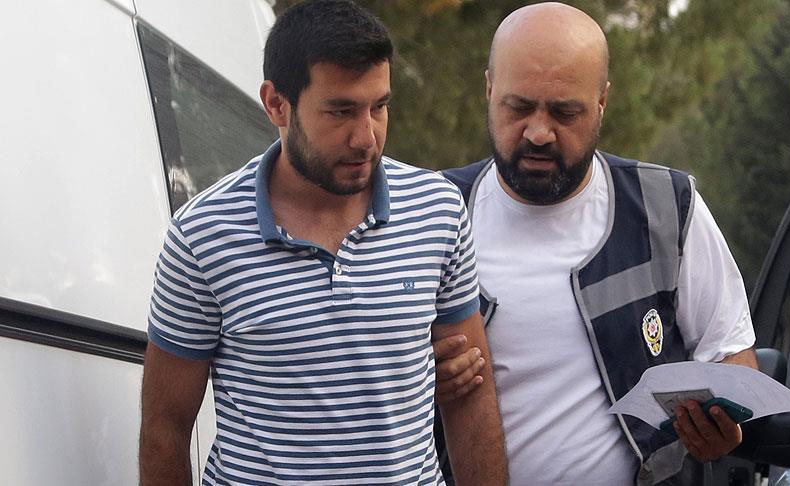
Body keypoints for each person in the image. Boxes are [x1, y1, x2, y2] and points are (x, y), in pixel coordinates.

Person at [138, 1, 507, 484]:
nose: (366, 137)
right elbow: (165, 428)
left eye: (379, 107)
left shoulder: (436, 209)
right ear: (276, 103)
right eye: (341, 111)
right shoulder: (203, 234)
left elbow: (470, 389)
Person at [433, 3, 758, 485]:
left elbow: (732, 353)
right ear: (488, 90)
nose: (538, 133)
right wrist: (415, 376)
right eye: (518, 107)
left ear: (603, 101)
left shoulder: (665, 206)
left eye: (565, 112)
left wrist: (724, 425)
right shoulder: (433, 213)